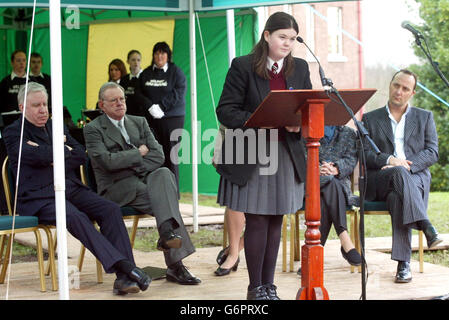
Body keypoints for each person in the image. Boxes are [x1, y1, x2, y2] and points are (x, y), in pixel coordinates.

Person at [3, 82, 150, 295]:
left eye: (45, 104)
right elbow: (30, 155)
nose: (43, 109)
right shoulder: (12, 132)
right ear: (22, 107)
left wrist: (52, 153)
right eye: (36, 105)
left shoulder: (57, 125)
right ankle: (126, 267)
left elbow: (81, 155)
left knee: (109, 209)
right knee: (75, 216)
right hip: (38, 197)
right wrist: (61, 150)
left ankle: (125, 278)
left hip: (70, 188)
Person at [215, 12, 311, 300]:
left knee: (275, 220)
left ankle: (269, 287)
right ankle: (255, 287)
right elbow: (226, 110)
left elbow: (307, 108)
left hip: (286, 153)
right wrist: (257, 120)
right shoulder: (243, 66)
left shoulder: (300, 68)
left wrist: (299, 123)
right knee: (256, 219)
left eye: (292, 39)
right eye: (282, 37)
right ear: (266, 35)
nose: (287, 43)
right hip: (251, 153)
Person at [83, 81, 201, 285]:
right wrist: (137, 153)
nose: (120, 103)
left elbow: (158, 155)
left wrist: (127, 161)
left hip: (143, 181)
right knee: (166, 200)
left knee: (164, 173)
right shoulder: (93, 129)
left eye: (122, 99)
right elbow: (107, 162)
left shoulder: (139, 122)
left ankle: (166, 233)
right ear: (102, 105)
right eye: (113, 101)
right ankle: (175, 265)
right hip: (115, 188)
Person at [362, 69, 442, 283]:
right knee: (396, 172)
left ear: (412, 93)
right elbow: (364, 154)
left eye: (405, 88)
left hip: (413, 177)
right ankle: (425, 225)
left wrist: (407, 165)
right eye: (396, 85)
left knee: (398, 198)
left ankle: (403, 264)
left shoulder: (424, 117)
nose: (399, 91)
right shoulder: (370, 118)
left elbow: (432, 151)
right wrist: (390, 160)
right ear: (390, 85)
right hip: (380, 179)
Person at [137, 41, 187, 194]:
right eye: (157, 53)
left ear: (168, 56)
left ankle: (173, 192)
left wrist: (162, 107)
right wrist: (150, 106)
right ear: (153, 56)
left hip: (172, 118)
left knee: (171, 154)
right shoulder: (145, 73)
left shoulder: (176, 72)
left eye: (163, 53)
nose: (159, 56)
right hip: (151, 118)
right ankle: (157, 191)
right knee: (154, 153)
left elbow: (179, 92)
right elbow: (138, 93)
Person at [317, 125, 361, 265]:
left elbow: (351, 159)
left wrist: (336, 168)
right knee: (330, 184)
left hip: (339, 185)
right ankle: (345, 239)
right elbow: (302, 156)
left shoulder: (348, 133)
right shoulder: (307, 129)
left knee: (329, 190)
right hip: (312, 184)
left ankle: (313, 258)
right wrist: (318, 168)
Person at [120, 50, 145, 117]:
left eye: (138, 60)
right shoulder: (124, 79)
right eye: (133, 60)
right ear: (128, 61)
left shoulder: (146, 78)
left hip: (142, 116)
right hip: (127, 115)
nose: (136, 62)